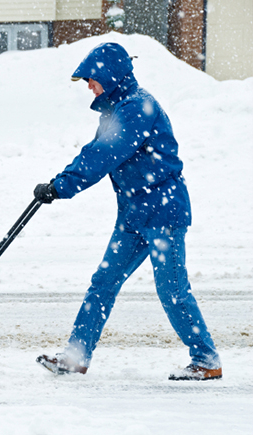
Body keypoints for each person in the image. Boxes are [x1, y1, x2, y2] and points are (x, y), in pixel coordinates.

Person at [34, 42, 222, 381]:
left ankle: (206, 359)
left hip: (163, 213)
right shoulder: (118, 109)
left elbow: (104, 155)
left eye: (91, 79)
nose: (89, 86)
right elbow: (94, 152)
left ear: (109, 75)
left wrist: (62, 186)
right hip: (135, 215)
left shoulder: (136, 108)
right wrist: (59, 182)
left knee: (172, 290)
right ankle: (76, 356)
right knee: (103, 283)